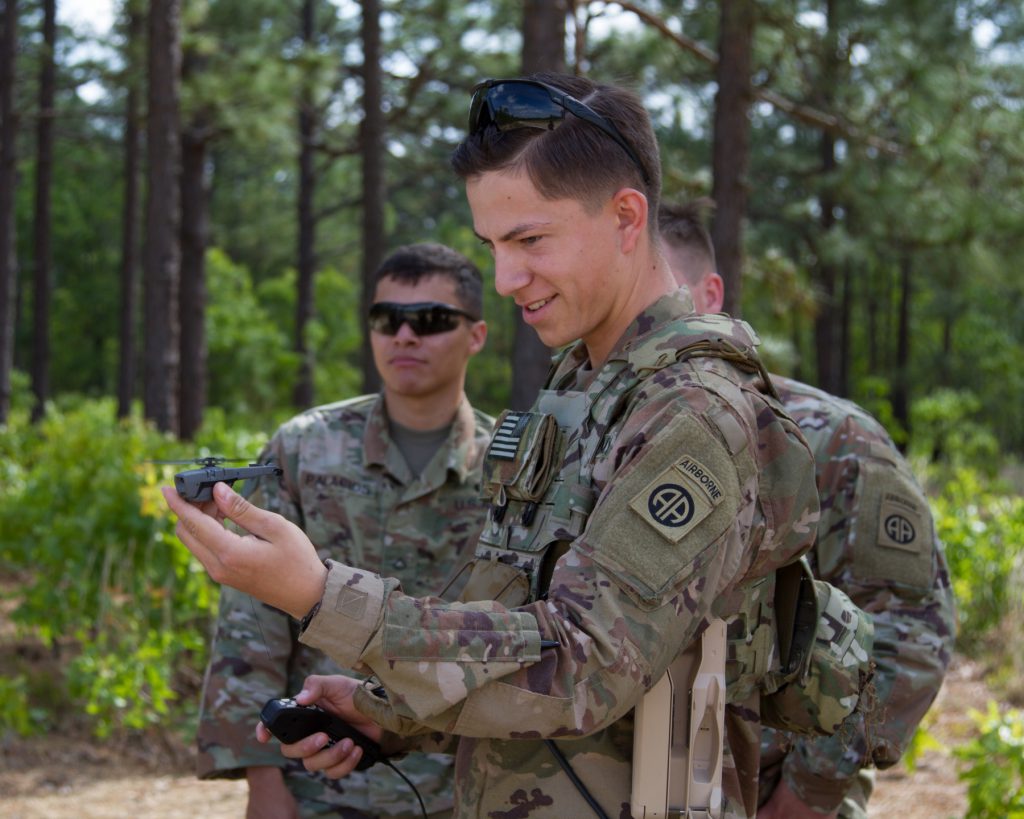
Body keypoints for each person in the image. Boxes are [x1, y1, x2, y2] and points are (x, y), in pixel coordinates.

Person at [165, 73, 843, 819]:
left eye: (529, 239)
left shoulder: (691, 411)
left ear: (625, 218)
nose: (506, 277)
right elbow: (519, 619)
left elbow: (583, 661)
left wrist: (321, 596)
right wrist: (388, 711)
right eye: (491, 244)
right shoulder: (585, 393)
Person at [659, 199, 956, 819]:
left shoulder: (827, 438)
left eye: (656, 294)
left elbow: (909, 631)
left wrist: (807, 794)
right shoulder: (583, 440)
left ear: (710, 294)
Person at [195, 243, 494, 819]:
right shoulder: (305, 447)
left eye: (429, 320)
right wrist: (262, 779)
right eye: (387, 320)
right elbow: (250, 619)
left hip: (469, 784)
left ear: (475, 335)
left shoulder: (512, 468)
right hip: (323, 776)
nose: (404, 336)